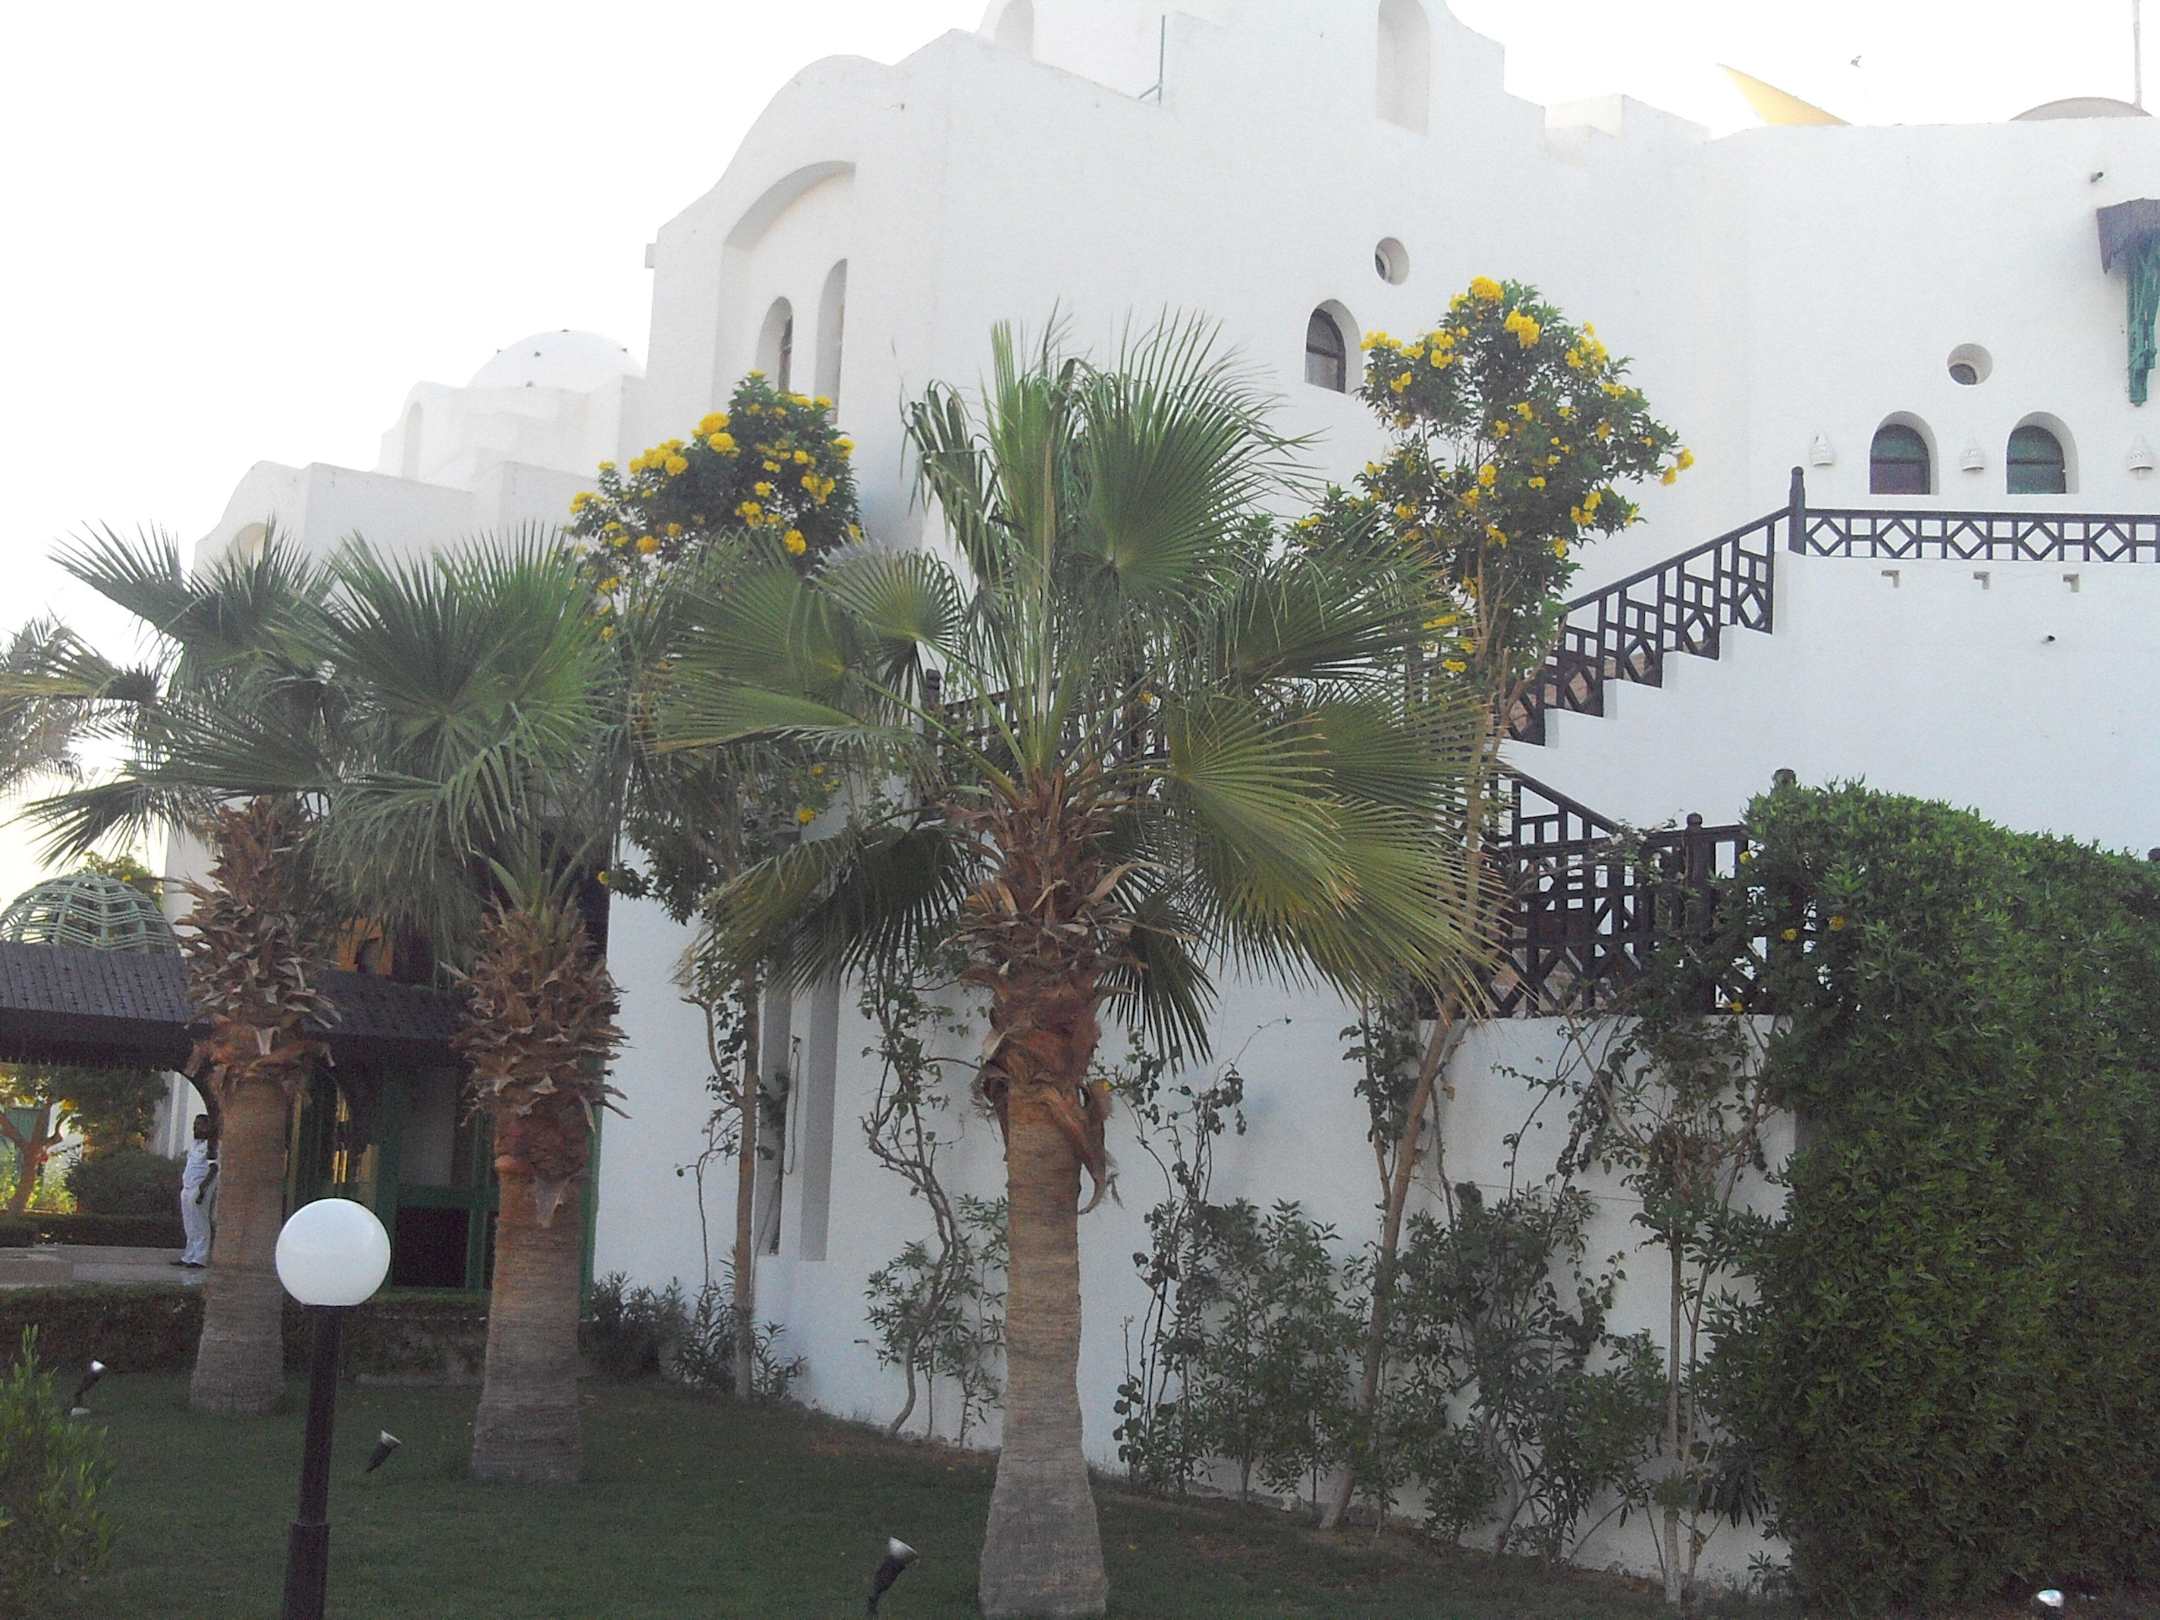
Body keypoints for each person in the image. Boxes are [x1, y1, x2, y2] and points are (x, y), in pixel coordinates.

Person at [176, 1113, 217, 1268]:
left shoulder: (211, 1145)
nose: (195, 1127)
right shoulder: (195, 1144)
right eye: (195, 1124)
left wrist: (202, 1189)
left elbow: (214, 1168)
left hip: (199, 1188)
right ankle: (189, 1256)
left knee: (200, 1223)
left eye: (199, 1124)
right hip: (187, 1188)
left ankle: (200, 1258)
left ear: (207, 1127)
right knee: (190, 1224)